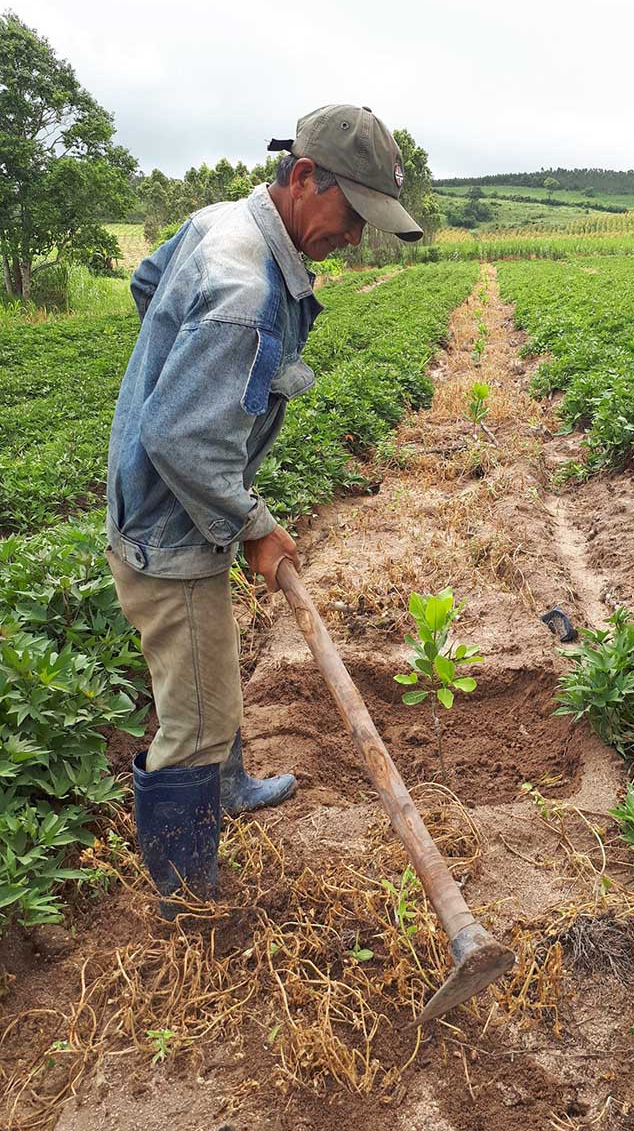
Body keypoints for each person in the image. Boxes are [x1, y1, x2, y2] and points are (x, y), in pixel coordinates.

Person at [105, 105, 423, 916]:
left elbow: (148, 283)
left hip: (181, 505)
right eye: (353, 214)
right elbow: (178, 435)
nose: (355, 237)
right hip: (170, 527)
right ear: (305, 177)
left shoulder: (221, 222)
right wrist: (252, 524)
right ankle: (190, 901)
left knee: (211, 662)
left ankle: (231, 785)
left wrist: (179, 359)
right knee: (196, 719)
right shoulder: (245, 295)